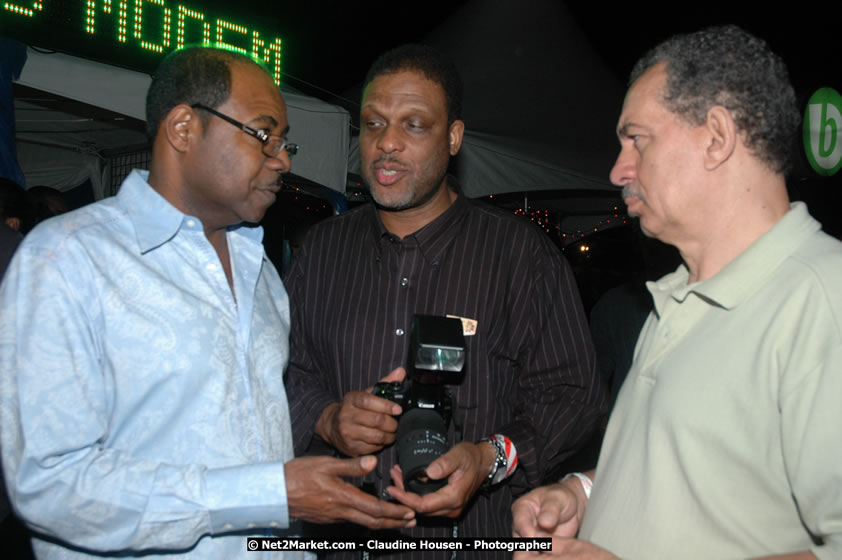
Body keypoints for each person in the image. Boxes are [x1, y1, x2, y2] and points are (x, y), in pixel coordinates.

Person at [0, 46, 415, 560]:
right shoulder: (68, 259)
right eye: (264, 136)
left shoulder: (261, 274)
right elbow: (49, 485)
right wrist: (264, 495)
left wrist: (330, 425)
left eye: (286, 143)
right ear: (183, 129)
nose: (282, 159)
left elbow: (261, 446)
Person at [511, 25, 842, 560]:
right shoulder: (674, 301)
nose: (618, 169)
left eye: (636, 138)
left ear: (716, 136)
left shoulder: (824, 300)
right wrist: (585, 493)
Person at [284, 44, 605, 558]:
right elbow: (290, 368)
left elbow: (573, 395)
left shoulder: (520, 256)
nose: (387, 143)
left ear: (454, 137)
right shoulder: (322, 250)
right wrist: (326, 419)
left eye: (414, 125)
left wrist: (490, 458)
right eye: (373, 124)